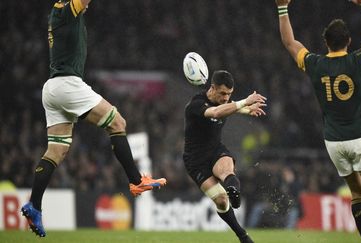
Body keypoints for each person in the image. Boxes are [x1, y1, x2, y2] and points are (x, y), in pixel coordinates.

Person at [21, 0, 166, 237]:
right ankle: (136, 180)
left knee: (56, 151)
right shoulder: (65, 9)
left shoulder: (61, 14)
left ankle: (34, 205)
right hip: (68, 84)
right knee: (117, 122)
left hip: (53, 88)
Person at [275, 0, 361, 242]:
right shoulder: (359, 59)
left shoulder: (315, 64)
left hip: (334, 142)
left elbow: (289, 43)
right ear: (349, 41)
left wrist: (282, 8)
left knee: (357, 192)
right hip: (359, 135)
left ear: (326, 43)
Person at [183, 70, 266, 243]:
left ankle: (234, 192)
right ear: (212, 88)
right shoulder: (196, 105)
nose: (226, 98)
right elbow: (215, 113)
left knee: (227, 171)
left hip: (215, 150)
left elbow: (228, 107)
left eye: (229, 94)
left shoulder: (225, 101)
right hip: (195, 161)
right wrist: (244, 103)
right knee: (221, 200)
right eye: (222, 93)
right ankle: (242, 234)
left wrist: (246, 109)